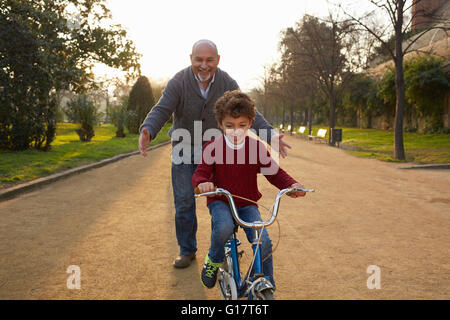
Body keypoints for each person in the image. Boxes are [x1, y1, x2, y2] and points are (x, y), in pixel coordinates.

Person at [138, 39, 292, 268]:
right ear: (191, 59)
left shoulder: (226, 81)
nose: (204, 65)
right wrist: (148, 129)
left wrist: (269, 135)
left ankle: (220, 250)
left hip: (218, 151)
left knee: (220, 200)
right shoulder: (179, 81)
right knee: (184, 203)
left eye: (209, 60)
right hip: (185, 150)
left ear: (217, 60)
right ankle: (187, 250)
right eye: (199, 59)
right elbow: (163, 108)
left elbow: (246, 109)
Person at [192, 90, 306, 289]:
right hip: (221, 202)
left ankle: (264, 281)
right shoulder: (212, 147)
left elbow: (275, 173)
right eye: (229, 126)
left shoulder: (256, 148)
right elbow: (200, 172)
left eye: (242, 126)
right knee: (224, 228)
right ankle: (213, 260)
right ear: (220, 124)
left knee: (264, 243)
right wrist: (203, 182)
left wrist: (291, 184)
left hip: (247, 204)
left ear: (251, 123)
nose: (236, 131)